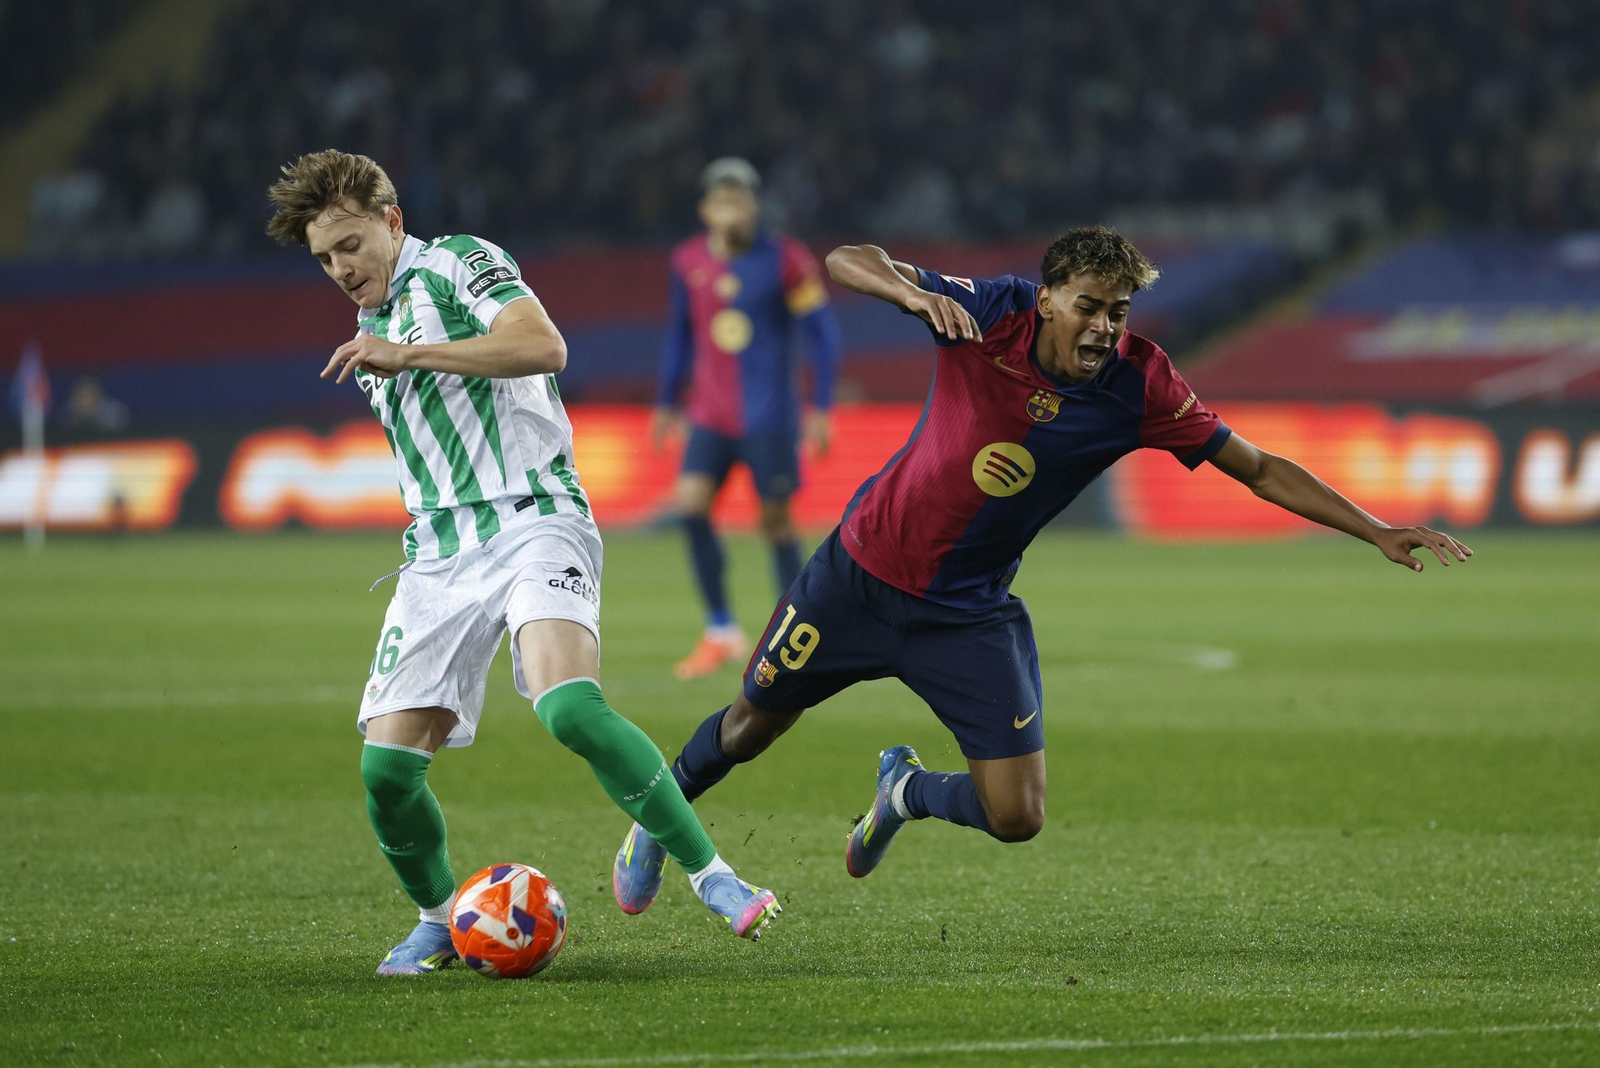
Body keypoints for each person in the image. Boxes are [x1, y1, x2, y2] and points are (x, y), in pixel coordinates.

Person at [610, 225, 1474, 909]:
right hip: (857, 578)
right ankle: (656, 821)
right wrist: (910, 291)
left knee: (1017, 815)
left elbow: (1256, 467)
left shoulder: (1142, 384)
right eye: (1090, 306)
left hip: (966, 615)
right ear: (1049, 296)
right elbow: (847, 259)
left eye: (1119, 312)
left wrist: (1374, 529)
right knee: (746, 731)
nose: (1105, 326)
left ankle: (904, 794)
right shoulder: (991, 311)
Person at [265, 150, 779, 974]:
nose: (341, 269)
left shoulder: (456, 264)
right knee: (386, 773)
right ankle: (439, 920)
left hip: (536, 518)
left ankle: (712, 874)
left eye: (351, 245)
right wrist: (391, 352)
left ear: (393, 221)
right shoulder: (369, 334)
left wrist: (412, 355)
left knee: (569, 708)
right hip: (437, 555)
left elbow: (542, 344)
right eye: (325, 258)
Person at [654, 157, 843, 679]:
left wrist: (821, 406)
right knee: (691, 505)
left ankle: (797, 635)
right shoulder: (688, 260)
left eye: (740, 200)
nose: (731, 210)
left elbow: (822, 335)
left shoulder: (787, 260)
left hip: (770, 418)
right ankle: (721, 629)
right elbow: (680, 334)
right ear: (705, 209)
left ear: (755, 206)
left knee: (775, 523)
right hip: (709, 416)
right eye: (722, 201)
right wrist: (666, 403)